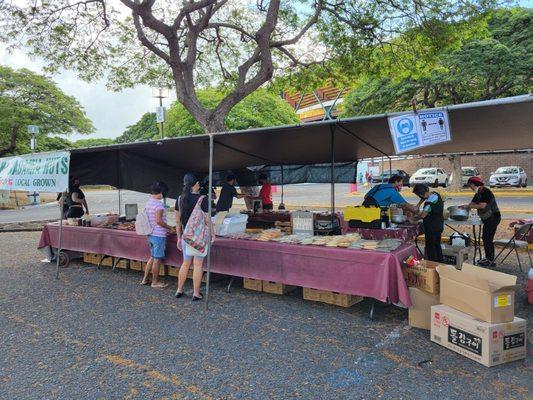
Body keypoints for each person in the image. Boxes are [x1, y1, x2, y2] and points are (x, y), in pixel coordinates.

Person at [175, 173, 213, 301]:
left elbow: (177, 221)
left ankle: (179, 290)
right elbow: (208, 220)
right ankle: (196, 293)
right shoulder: (203, 198)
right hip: (199, 238)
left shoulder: (179, 199)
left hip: (186, 236)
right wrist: (213, 234)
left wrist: (178, 237)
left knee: (185, 264)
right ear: (196, 184)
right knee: (198, 265)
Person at [461, 176, 501, 266]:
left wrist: (469, 206)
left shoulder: (485, 192)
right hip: (487, 219)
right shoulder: (478, 193)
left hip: (493, 217)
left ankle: (490, 260)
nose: (470, 187)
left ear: (474, 184)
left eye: (470, 185)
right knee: (485, 238)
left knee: (487, 238)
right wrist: (466, 207)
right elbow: (471, 204)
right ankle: (488, 258)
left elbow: (482, 206)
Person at [141, 181, 173, 288]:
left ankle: (145, 279)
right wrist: (169, 227)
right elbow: (159, 221)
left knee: (152, 257)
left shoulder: (149, 202)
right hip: (158, 235)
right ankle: (154, 282)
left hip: (150, 234)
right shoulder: (159, 204)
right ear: (161, 192)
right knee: (157, 259)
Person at [412, 183, 444, 262]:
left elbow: (423, 215)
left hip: (432, 227)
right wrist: (418, 205)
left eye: (418, 195)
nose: (419, 197)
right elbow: (424, 198)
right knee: (437, 245)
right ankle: (440, 264)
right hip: (439, 224)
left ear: (421, 194)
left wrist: (413, 219)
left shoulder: (429, 203)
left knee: (431, 247)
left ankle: (433, 265)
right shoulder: (435, 194)